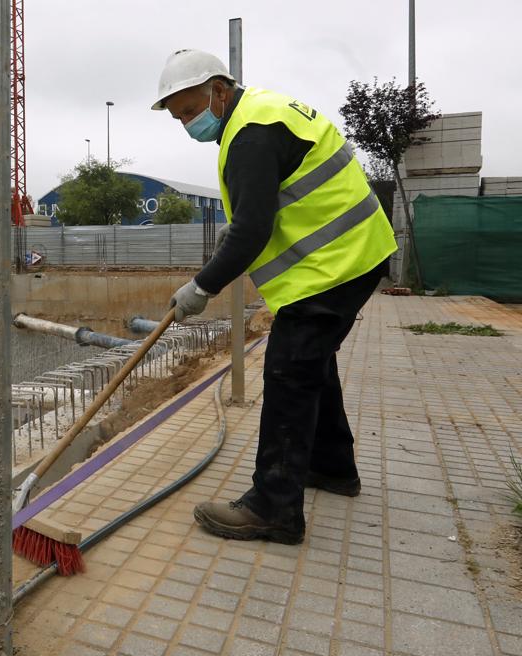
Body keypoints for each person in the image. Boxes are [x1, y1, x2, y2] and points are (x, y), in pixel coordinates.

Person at [153, 49, 396, 544]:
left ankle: (274, 507)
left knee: (288, 372)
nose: (186, 124)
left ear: (218, 90)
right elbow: (268, 205)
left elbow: (252, 231)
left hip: (336, 265)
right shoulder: (260, 114)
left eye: (189, 110)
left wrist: (201, 288)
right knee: (311, 364)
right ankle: (332, 468)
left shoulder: (250, 133)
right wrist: (238, 229)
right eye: (178, 117)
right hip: (351, 256)